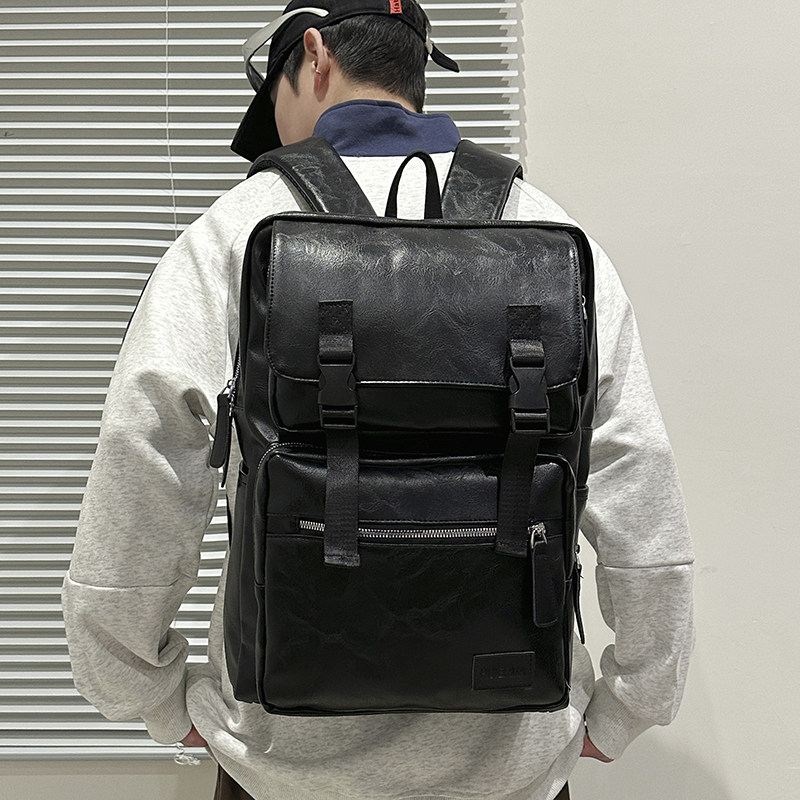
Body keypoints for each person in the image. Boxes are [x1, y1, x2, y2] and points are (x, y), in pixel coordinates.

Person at [61, 2, 696, 799]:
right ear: (417, 66)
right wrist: (630, 705)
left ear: (315, 55)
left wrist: (144, 694)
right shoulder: (545, 229)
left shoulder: (235, 232)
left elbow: (145, 457)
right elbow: (639, 473)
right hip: (508, 767)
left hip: (282, 767)